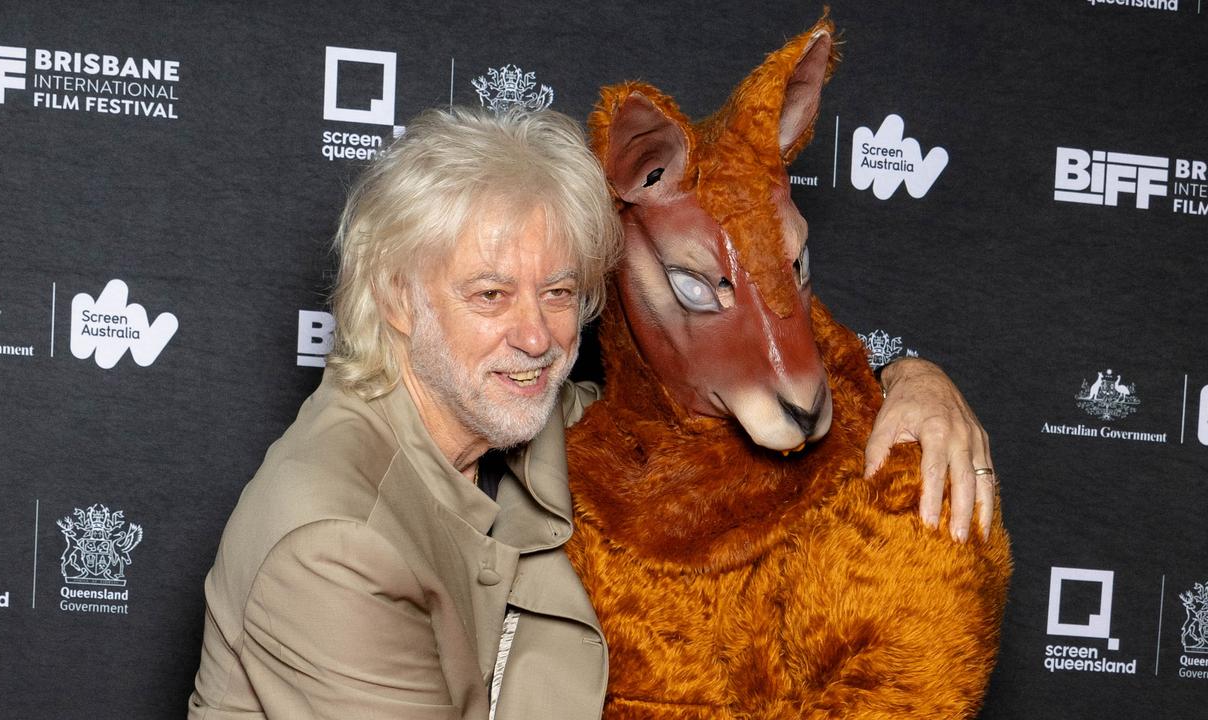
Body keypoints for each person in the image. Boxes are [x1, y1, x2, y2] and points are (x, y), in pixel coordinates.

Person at [187, 107, 997, 719]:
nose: (537, 335)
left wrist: (912, 382)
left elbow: (692, 412)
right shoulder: (335, 542)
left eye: (561, 292)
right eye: (490, 294)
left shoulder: (518, 412)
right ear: (399, 298)